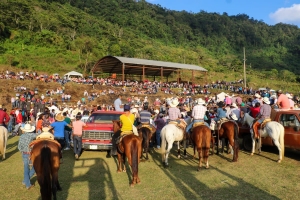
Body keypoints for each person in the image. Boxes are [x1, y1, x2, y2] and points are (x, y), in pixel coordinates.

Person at [17, 123, 36, 190]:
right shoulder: (32, 135)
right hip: (31, 154)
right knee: (35, 167)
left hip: (24, 153)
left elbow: (19, 147)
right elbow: (39, 135)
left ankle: (25, 181)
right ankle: (27, 183)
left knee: (26, 169)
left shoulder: (22, 136)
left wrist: (22, 152)